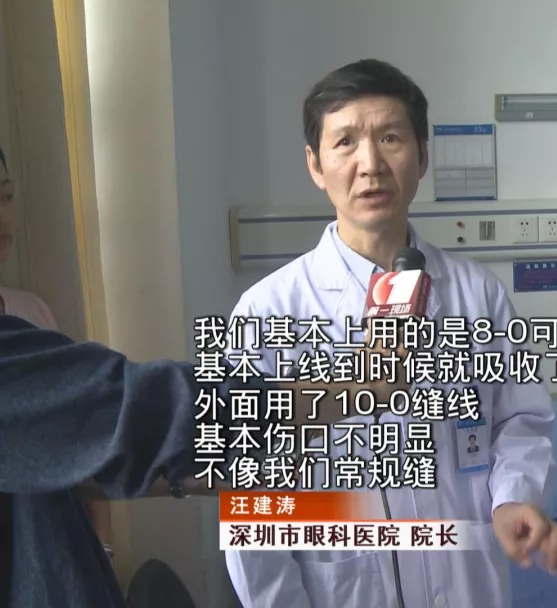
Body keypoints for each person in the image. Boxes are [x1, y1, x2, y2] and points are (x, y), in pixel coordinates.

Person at [223, 59, 557, 608]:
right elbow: (252, 500)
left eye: (390, 138)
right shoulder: (267, 313)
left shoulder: (478, 295)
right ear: (315, 165)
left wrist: (511, 498)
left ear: (422, 156)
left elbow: (518, 419)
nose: (370, 165)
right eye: (345, 142)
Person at [0, 314, 391, 607]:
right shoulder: (269, 308)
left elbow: (66, 461)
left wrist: (192, 477)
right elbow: (149, 408)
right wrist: (364, 386)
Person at [0, 144, 116, 565]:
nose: (2, 216)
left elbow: (86, 441)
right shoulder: (263, 305)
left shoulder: (31, 312)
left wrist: (103, 547)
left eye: (6, 196)